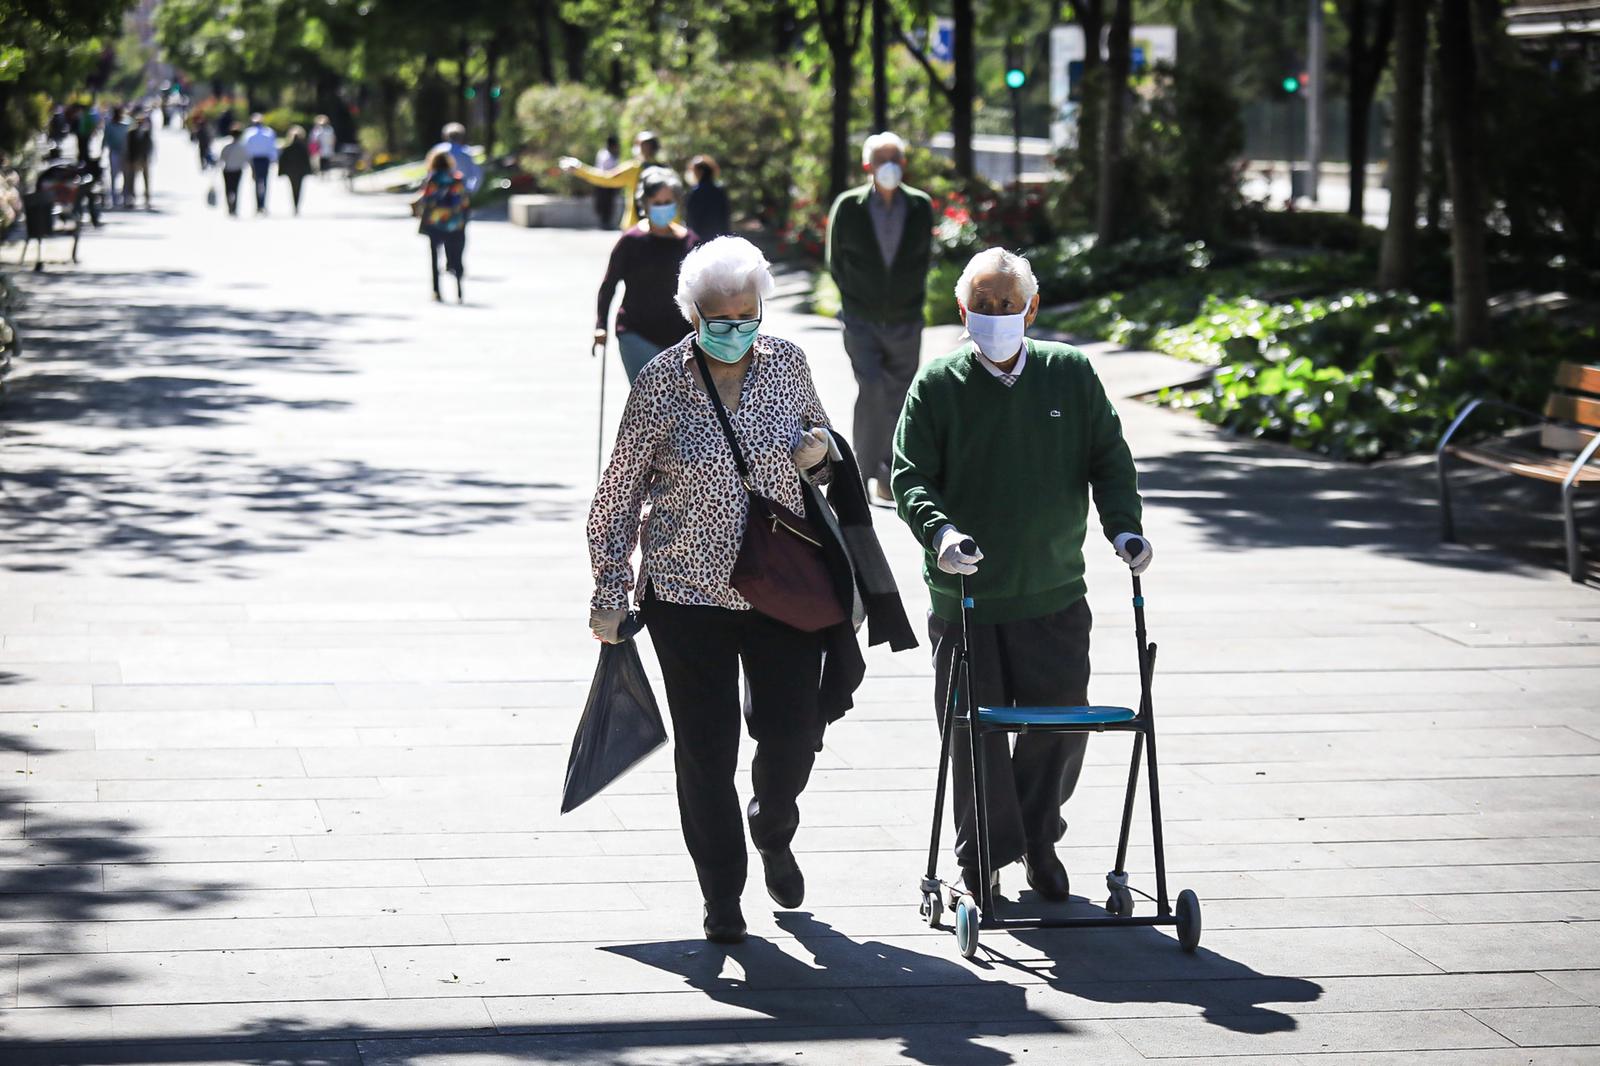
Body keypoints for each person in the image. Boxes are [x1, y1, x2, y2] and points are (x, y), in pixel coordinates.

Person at [587, 235, 911, 945]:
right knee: (706, 752)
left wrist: (824, 450)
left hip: (783, 592)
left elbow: (821, 446)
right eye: (719, 316)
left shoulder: (788, 364)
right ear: (691, 313)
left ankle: (774, 823)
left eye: (747, 313)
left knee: (793, 734)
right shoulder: (662, 383)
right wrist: (609, 590)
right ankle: (722, 893)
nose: (735, 327)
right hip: (686, 594)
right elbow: (616, 495)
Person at [890, 247, 1151, 904]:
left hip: (1052, 589)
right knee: (972, 731)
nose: (997, 315)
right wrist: (941, 531)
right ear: (963, 309)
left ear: (1032, 308)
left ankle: (1039, 838)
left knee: (1059, 727)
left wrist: (1124, 527)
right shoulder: (938, 384)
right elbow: (909, 475)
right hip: (967, 594)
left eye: (1008, 304)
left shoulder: (1069, 373)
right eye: (983, 304)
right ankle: (982, 855)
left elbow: (1109, 459)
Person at [826, 131, 934, 508]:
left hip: (906, 319)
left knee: (900, 396)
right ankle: (862, 471)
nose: (890, 165)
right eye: (882, 158)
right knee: (871, 388)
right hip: (861, 319)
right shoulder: (849, 206)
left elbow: (923, 258)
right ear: (868, 165)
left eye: (896, 158)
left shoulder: (920, 205)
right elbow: (835, 260)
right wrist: (855, 297)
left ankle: (890, 473)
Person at [593, 169, 697, 384]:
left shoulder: (690, 242)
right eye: (656, 202)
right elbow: (609, 284)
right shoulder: (630, 241)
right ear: (645, 204)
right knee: (649, 401)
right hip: (636, 333)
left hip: (682, 337)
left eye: (668, 201)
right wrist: (600, 325)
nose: (662, 207)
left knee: (680, 406)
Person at [560, 130, 670, 231]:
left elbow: (606, 178)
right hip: (662, 227)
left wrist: (580, 169)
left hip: (635, 227)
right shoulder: (666, 169)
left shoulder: (634, 168)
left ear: (643, 147)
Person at [412, 147, 470, 303]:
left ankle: (436, 291)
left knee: (434, 258)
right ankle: (459, 290)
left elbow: (426, 201)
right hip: (455, 223)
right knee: (456, 257)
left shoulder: (432, 180)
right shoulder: (457, 179)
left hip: (435, 223)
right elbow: (464, 202)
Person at [684, 155, 731, 240]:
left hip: (699, 240)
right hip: (719, 238)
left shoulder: (695, 193)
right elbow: (725, 218)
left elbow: (690, 220)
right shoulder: (720, 191)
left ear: (699, 171)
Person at [242, 113, 279, 213]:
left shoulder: (249, 133)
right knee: (263, 182)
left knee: (257, 182)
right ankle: (261, 204)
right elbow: (273, 148)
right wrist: (274, 160)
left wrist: (247, 161)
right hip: (264, 160)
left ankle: (259, 204)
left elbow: (246, 148)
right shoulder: (268, 132)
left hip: (255, 160)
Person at [278, 126, 312, 215]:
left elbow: (282, 161)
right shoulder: (302, 148)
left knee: (293, 188)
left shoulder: (288, 148)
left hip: (291, 171)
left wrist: (281, 172)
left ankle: (295, 205)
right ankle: (296, 205)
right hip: (299, 171)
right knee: (298, 188)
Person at [124, 113, 154, 210]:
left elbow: (149, 146)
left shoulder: (147, 133)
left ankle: (147, 198)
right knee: (131, 179)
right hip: (134, 159)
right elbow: (128, 147)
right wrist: (129, 159)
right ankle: (131, 197)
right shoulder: (131, 133)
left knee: (146, 179)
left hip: (144, 159)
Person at [217, 126, 249, 217]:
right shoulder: (242, 146)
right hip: (238, 170)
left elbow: (222, 158)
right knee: (236, 189)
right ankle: (234, 208)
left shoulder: (226, 145)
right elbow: (246, 159)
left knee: (228, 189)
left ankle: (229, 207)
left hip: (227, 170)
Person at [591, 133, 620, 228]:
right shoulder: (605, 155)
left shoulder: (610, 154)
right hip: (603, 183)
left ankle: (606, 222)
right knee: (604, 204)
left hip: (610, 184)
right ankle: (604, 222)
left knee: (609, 204)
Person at [103, 107, 129, 208]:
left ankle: (124, 196)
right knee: (114, 176)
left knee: (125, 176)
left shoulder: (125, 125)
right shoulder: (110, 126)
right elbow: (106, 139)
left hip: (125, 153)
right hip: (114, 152)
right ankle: (114, 198)